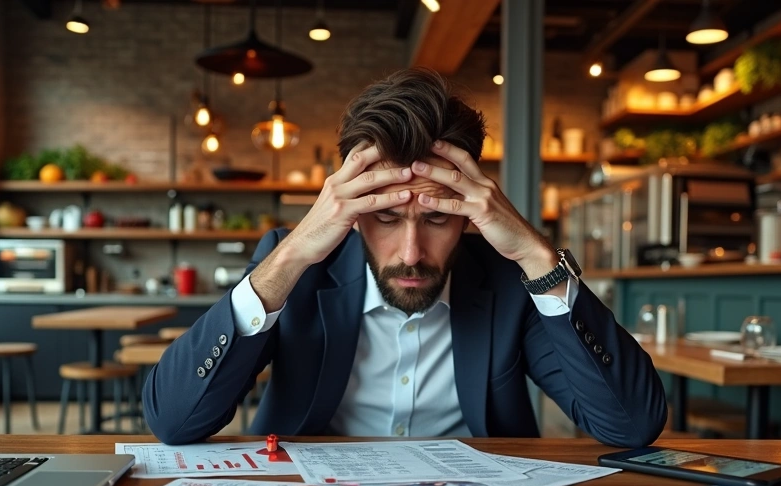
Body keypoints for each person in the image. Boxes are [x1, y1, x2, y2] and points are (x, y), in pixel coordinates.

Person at [143, 68, 666, 446]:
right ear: (351, 214)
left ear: (470, 214)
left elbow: (631, 426)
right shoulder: (297, 267)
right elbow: (173, 420)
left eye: (437, 219)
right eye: (387, 218)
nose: (412, 253)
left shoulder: (512, 278)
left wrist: (537, 255)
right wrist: (294, 252)